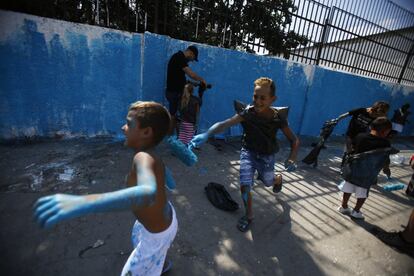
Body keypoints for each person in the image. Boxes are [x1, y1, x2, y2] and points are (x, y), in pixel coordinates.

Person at [34, 102, 177, 276]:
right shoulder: (153, 155)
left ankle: (154, 262)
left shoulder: (143, 157)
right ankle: (158, 263)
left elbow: (147, 192)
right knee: (141, 241)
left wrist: (82, 202)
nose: (123, 127)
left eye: (129, 123)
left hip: (157, 233)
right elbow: (169, 181)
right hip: (164, 220)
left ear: (146, 132)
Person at [191, 77, 300, 232]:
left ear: (272, 99)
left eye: (263, 98)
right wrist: (207, 134)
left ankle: (277, 178)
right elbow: (225, 123)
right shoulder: (247, 113)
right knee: (245, 185)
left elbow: (294, 140)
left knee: (268, 182)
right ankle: (249, 216)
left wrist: (292, 158)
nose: (258, 101)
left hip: (267, 156)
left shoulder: (277, 118)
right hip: (248, 152)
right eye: (255, 96)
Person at [338, 117, 393, 219]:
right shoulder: (385, 143)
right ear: (386, 131)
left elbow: (352, 149)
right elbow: (385, 159)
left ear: (371, 126)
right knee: (362, 193)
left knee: (348, 188)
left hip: (353, 170)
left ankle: (344, 206)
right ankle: (356, 211)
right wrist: (386, 168)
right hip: (368, 174)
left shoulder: (360, 136)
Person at [166, 45, 207, 133]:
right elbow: (191, 74)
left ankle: (176, 137)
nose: (192, 60)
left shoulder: (180, 58)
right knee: (174, 115)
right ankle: (170, 137)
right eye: (193, 58)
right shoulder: (179, 57)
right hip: (174, 92)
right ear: (190, 53)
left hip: (175, 91)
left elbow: (179, 77)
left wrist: (192, 83)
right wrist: (202, 79)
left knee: (178, 115)